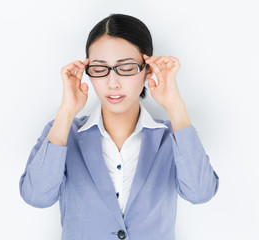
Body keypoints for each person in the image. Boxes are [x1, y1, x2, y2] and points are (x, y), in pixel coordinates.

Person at [19, 13, 219, 240]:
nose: (112, 83)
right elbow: (36, 196)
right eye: (99, 69)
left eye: (126, 68)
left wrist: (174, 105)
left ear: (148, 69)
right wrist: (66, 111)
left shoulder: (171, 138)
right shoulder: (64, 133)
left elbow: (200, 193)